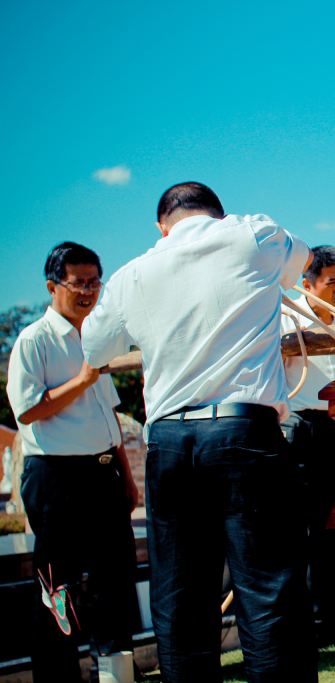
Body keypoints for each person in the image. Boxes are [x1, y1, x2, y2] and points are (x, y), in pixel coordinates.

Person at [82, 182, 316, 683]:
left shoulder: (131, 274)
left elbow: (94, 349)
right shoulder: (253, 234)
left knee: (179, 601)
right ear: (217, 213)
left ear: (161, 226)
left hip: (168, 440)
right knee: (269, 595)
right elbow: (304, 260)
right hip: (243, 432)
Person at [7, 242, 140, 682]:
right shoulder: (34, 340)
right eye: (78, 283)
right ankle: (58, 677)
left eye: (94, 282)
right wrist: (82, 379)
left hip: (103, 473)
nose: (88, 292)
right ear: (53, 287)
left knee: (113, 578)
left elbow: (108, 414)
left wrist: (124, 472)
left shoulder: (96, 339)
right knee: (57, 587)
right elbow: (27, 410)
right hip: (56, 477)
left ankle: (115, 671)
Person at [281, 245, 335, 647]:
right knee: (297, 534)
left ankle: (325, 626)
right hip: (302, 430)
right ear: (307, 283)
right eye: (331, 281)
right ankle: (296, 629)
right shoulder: (287, 317)